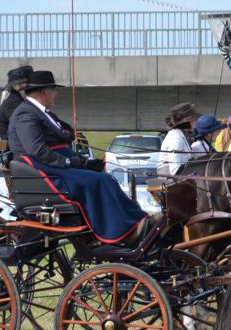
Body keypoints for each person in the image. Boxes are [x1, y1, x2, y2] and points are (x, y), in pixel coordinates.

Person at [8, 71, 148, 244]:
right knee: (99, 181)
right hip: (43, 173)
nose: (55, 94)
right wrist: (68, 162)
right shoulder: (26, 114)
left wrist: (84, 163)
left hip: (48, 168)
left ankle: (132, 222)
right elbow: (37, 150)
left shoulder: (40, 112)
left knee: (106, 178)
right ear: (43, 92)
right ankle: (118, 232)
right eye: (53, 90)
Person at [0, 65, 33, 200]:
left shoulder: (21, 101)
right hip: (14, 153)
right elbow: (24, 127)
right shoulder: (12, 104)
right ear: (19, 85)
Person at [158, 103, 198, 176]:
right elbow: (175, 170)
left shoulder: (180, 135)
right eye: (194, 120)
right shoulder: (175, 138)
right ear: (188, 122)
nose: (195, 122)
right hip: (169, 179)